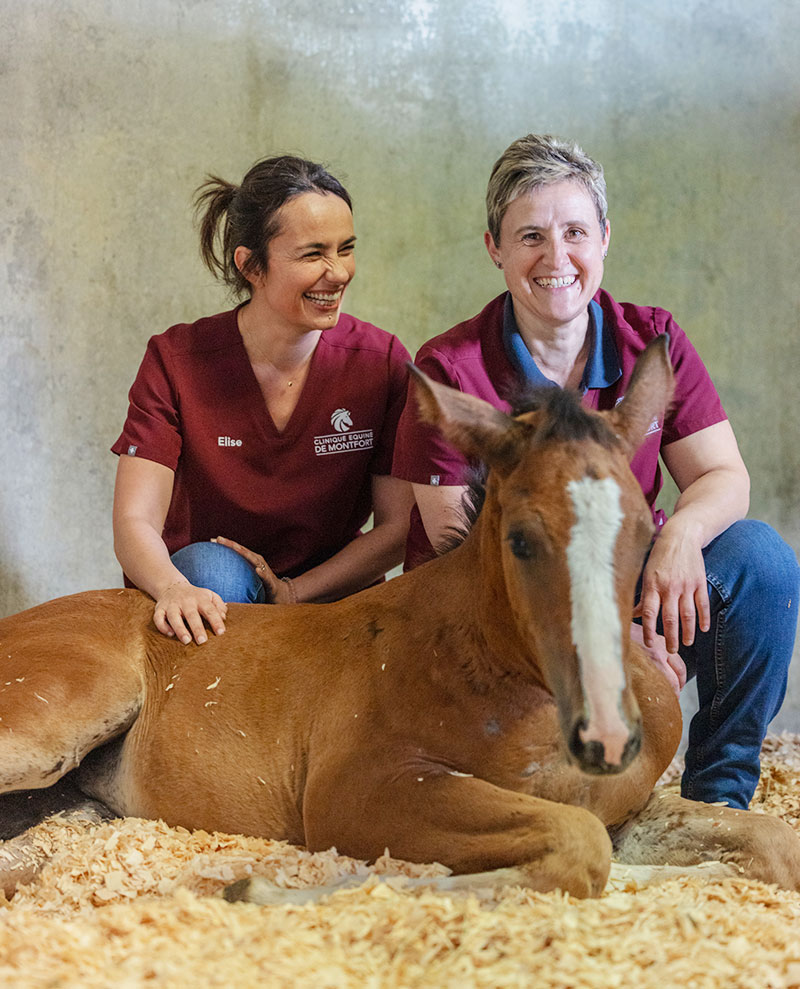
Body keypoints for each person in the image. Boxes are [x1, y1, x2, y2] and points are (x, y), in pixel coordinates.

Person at [392, 133, 799, 809]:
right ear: (494, 248)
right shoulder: (450, 369)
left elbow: (724, 476)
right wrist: (616, 640)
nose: (557, 258)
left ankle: (719, 791)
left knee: (762, 561)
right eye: (530, 237)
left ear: (605, 237)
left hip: (626, 584)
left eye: (575, 231)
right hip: (504, 610)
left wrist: (676, 541)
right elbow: (462, 550)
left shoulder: (651, 337)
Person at [112, 155, 413, 648]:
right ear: (250, 265)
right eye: (313, 253)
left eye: (346, 248)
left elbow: (398, 527)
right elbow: (133, 520)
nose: (337, 272)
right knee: (214, 575)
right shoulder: (175, 359)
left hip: (332, 590)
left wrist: (294, 593)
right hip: (210, 594)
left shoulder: (381, 363)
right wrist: (173, 589)